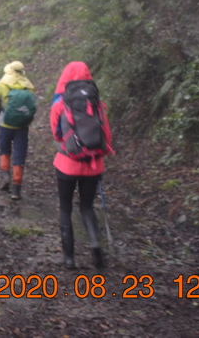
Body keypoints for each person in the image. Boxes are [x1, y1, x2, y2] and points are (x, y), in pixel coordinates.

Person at [50, 61, 114, 269]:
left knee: (65, 209)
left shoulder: (60, 104)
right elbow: (106, 135)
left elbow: (56, 134)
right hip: (93, 165)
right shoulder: (96, 104)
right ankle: (97, 252)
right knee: (87, 207)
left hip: (67, 164)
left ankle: (69, 258)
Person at [0, 61, 37, 200]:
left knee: (4, 150)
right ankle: (17, 189)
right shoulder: (28, 86)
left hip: (5, 123)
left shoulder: (3, 84)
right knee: (20, 154)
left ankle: (5, 177)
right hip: (22, 125)